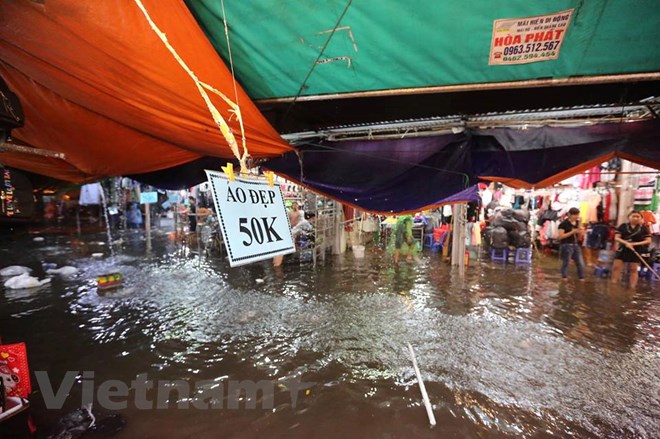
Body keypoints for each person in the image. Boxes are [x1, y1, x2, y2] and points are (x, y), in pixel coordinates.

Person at [610, 211, 652, 288]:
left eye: (638, 216)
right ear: (629, 217)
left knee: (633, 269)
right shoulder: (623, 226)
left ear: (641, 218)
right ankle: (613, 284)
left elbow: (648, 240)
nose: (635, 218)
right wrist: (626, 243)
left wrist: (634, 244)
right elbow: (617, 238)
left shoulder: (644, 228)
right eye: (633, 216)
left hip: (636, 250)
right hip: (623, 249)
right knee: (616, 267)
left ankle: (632, 287)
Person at [557, 207, 586, 281]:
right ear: (569, 214)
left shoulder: (577, 223)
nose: (576, 216)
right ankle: (564, 277)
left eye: (577, 215)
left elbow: (579, 235)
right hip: (566, 245)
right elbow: (560, 236)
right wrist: (572, 232)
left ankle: (581, 277)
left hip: (576, 244)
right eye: (574, 214)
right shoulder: (563, 224)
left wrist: (580, 227)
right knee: (566, 262)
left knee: (580, 262)